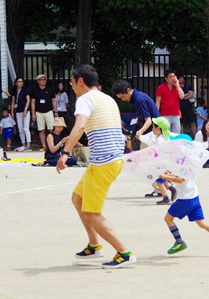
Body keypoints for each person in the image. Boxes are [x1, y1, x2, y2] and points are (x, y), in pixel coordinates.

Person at [56, 64, 136, 269]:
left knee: (92, 212)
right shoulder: (106, 97)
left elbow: (80, 126)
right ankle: (94, 244)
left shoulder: (84, 99)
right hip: (108, 159)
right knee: (78, 198)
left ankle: (124, 253)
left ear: (80, 81)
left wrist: (65, 153)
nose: (72, 87)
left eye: (72, 83)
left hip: (104, 162)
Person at [158, 171, 209, 257]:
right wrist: (168, 175)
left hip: (184, 200)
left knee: (168, 219)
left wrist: (163, 176)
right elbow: (178, 176)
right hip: (194, 198)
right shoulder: (191, 165)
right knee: (202, 223)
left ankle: (179, 242)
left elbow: (179, 179)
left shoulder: (184, 166)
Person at [139, 116, 178, 205]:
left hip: (161, 165)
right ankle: (172, 189)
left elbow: (159, 152)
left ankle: (166, 198)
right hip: (164, 164)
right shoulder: (164, 137)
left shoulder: (160, 140)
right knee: (163, 180)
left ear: (158, 128)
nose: (152, 129)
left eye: (153, 127)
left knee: (159, 182)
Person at [31, 74, 58, 151]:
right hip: (39, 112)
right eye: (42, 80)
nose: (44, 81)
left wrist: (55, 111)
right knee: (41, 129)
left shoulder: (50, 89)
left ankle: (52, 144)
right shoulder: (35, 91)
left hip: (49, 111)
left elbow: (54, 100)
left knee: (51, 128)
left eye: (45, 79)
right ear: (38, 81)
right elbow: (33, 102)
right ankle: (44, 145)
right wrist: (33, 114)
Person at [156, 69, 185, 134]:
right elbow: (158, 101)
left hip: (176, 114)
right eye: (170, 77)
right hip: (165, 115)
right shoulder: (161, 88)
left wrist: (177, 85)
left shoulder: (177, 87)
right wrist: (156, 114)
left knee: (176, 135)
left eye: (174, 76)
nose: (173, 78)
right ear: (166, 79)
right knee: (166, 134)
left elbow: (182, 96)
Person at [11, 77, 32, 151]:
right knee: (20, 128)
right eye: (19, 81)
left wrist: (25, 110)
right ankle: (23, 144)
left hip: (25, 110)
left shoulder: (26, 90)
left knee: (26, 128)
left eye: (22, 81)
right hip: (18, 111)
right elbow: (13, 102)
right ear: (16, 83)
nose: (21, 83)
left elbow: (28, 100)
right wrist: (12, 112)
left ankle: (28, 144)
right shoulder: (14, 91)